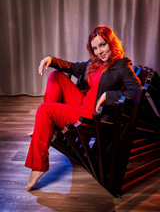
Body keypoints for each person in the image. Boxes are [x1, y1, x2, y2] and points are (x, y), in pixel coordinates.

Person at [25, 25, 141, 191]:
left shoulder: (122, 66)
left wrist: (110, 96)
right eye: (95, 48)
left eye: (103, 45)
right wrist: (51, 59)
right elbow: (73, 67)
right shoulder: (95, 62)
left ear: (111, 43)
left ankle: (38, 166)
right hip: (81, 104)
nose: (99, 51)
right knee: (56, 76)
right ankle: (46, 126)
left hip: (91, 116)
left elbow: (136, 91)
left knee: (45, 110)